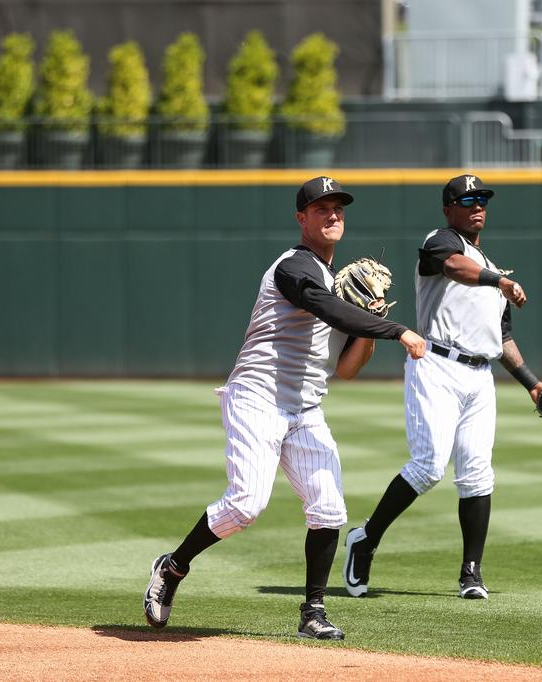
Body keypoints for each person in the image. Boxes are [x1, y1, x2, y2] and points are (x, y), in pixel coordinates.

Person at [142, 176, 427, 640]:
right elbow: (323, 306)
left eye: (338, 207)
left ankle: (313, 611)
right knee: (245, 505)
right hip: (257, 397)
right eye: (321, 208)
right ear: (302, 219)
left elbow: (349, 368)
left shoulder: (337, 290)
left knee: (330, 510)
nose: (332, 214)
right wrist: (395, 329)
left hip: (306, 408)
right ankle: (173, 568)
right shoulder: (293, 268)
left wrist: (368, 325)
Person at [341, 173, 542, 599]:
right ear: (449, 208)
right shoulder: (440, 242)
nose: (477, 205)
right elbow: (455, 267)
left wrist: (533, 385)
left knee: (477, 473)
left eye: (482, 199)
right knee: (429, 465)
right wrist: (500, 282)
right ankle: (367, 538)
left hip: (480, 377)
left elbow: (502, 340)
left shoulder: (493, 273)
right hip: (435, 364)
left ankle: (471, 573)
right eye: (467, 199)